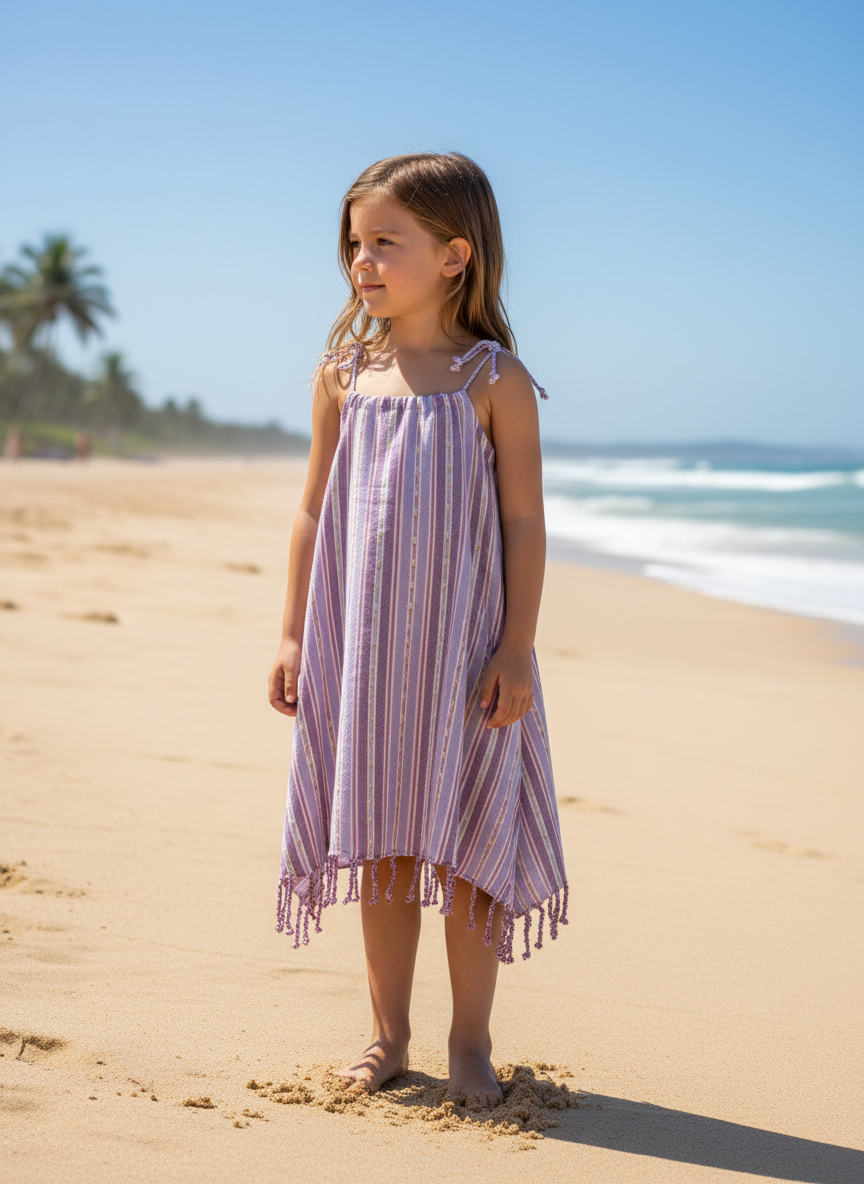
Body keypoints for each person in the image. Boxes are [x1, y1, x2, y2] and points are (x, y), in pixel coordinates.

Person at [268, 152, 567, 1108]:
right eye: (355, 243)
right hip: (366, 660)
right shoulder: (344, 377)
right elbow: (312, 509)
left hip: (468, 659)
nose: (362, 260)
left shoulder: (494, 380)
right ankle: (388, 1035)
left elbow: (524, 519)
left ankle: (471, 1043)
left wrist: (517, 644)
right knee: (387, 845)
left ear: (454, 255)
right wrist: (289, 634)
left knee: (472, 846)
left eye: (384, 241)